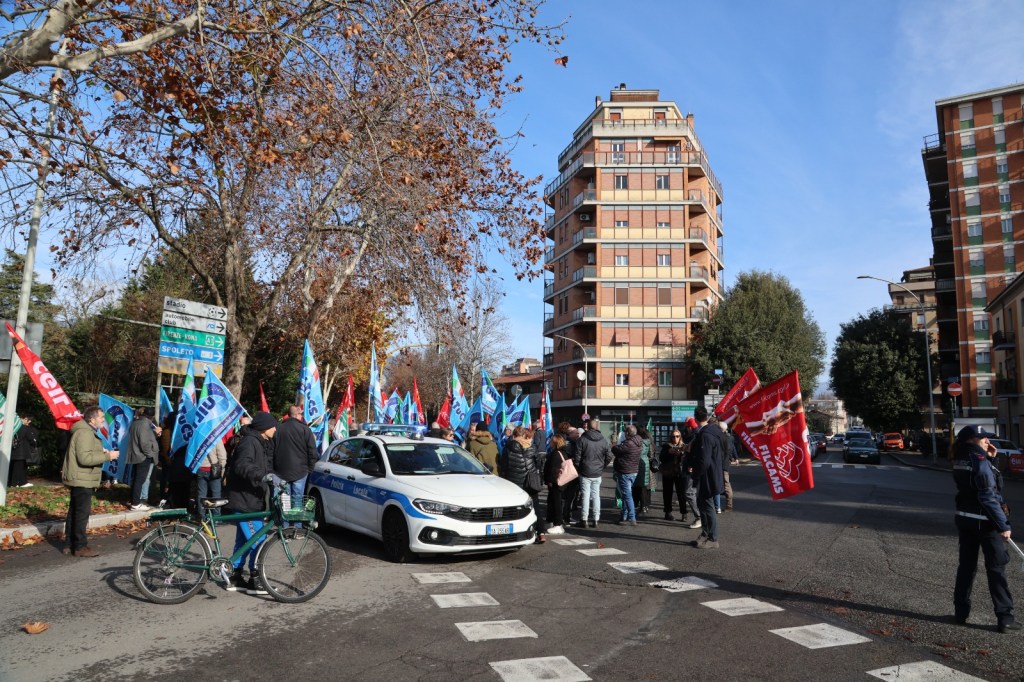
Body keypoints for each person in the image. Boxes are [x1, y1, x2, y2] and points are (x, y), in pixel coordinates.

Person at [952, 425, 1020, 632]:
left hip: (965, 519)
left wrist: (991, 458)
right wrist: (1003, 525)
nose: (988, 442)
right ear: (972, 440)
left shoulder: (959, 458)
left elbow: (973, 488)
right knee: (996, 568)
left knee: (966, 566)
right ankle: (1005, 618)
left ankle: (960, 612)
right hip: (986, 522)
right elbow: (988, 496)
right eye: (983, 439)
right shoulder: (978, 461)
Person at [226, 411, 279, 595]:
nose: (275, 428)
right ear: (264, 427)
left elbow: (264, 465)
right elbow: (242, 465)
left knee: (243, 541)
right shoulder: (250, 442)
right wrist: (262, 475)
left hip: (251, 498)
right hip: (244, 500)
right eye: (273, 425)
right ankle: (256, 579)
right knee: (258, 540)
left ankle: (234, 576)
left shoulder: (260, 442)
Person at [61, 405, 119, 557]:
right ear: (92, 419)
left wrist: (100, 452)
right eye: (101, 417)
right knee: (81, 514)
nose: (103, 420)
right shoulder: (85, 433)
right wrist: (108, 456)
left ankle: (69, 544)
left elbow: (85, 453)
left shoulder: (84, 431)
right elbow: (85, 458)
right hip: (83, 478)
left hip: (81, 477)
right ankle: (80, 546)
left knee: (74, 512)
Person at [273, 405, 319, 528]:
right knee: (297, 499)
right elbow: (312, 451)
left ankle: (285, 526)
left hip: (282, 470)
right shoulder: (305, 429)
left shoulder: (278, 428)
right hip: (301, 470)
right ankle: (297, 527)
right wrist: (310, 468)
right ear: (298, 414)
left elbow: (272, 450)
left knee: (285, 501)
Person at [685, 406, 724, 549]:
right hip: (709, 474)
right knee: (702, 505)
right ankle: (705, 534)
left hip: (707, 476)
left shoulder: (706, 435)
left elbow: (705, 460)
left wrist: (696, 472)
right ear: (706, 417)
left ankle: (713, 538)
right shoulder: (710, 432)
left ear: (695, 418)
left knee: (708, 507)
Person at [501, 425, 548, 542]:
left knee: (514, 509)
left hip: (514, 483)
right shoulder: (532, 448)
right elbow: (537, 465)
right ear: (524, 436)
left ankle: (515, 533)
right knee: (535, 507)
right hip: (530, 482)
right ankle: (541, 532)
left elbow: (504, 466)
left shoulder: (508, 447)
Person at [573, 419, 613, 528]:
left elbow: (577, 457)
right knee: (596, 496)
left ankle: (584, 519)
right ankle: (596, 519)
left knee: (585, 496)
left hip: (585, 471)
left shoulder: (582, 439)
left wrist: (579, 467)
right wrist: (602, 465)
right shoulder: (603, 440)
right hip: (597, 472)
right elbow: (609, 456)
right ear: (597, 427)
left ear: (588, 427)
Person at [127, 407, 161, 511]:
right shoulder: (145, 425)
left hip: (136, 454)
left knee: (137, 479)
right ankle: (136, 503)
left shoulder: (135, 422)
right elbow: (144, 443)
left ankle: (134, 500)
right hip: (143, 456)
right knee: (140, 480)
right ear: (152, 416)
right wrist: (150, 454)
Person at [611, 424, 642, 526]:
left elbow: (615, 450)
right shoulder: (638, 441)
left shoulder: (628, 444)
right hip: (633, 471)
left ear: (628, 433)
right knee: (625, 494)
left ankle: (632, 517)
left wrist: (614, 443)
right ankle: (624, 516)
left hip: (625, 471)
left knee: (627, 495)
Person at [544, 434, 572, 534]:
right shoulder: (564, 452)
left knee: (556, 503)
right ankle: (551, 521)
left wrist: (549, 481)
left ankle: (557, 524)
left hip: (556, 483)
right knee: (553, 502)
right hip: (561, 482)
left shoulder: (556, 454)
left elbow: (553, 470)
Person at [680, 416, 703, 528]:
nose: (685, 430)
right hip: (691, 467)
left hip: (691, 468)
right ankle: (701, 516)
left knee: (689, 493)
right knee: (693, 492)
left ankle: (699, 517)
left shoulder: (695, 436)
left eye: (686, 427)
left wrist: (691, 465)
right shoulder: (696, 435)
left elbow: (695, 453)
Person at [659, 429, 686, 521]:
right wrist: (669, 452)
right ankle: (668, 512)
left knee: (681, 494)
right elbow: (661, 458)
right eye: (673, 436)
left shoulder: (683, 446)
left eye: (677, 436)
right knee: (667, 493)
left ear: (680, 437)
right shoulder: (666, 446)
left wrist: (681, 454)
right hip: (668, 472)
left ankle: (684, 513)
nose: (675, 438)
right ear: (670, 437)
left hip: (680, 473)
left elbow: (688, 459)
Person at [196, 440, 227, 518]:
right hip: (214, 469)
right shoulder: (215, 438)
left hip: (200, 468)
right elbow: (222, 455)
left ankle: (202, 517)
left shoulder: (197, 438)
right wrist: (221, 467)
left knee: (201, 494)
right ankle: (216, 518)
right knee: (216, 494)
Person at [8, 414, 38, 488]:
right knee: (18, 467)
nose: (22, 419)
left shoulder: (13, 427)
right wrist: (34, 440)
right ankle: (14, 483)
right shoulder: (24, 428)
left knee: (15, 467)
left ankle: (19, 482)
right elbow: (31, 438)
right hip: (21, 451)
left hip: (13, 450)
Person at [632, 426, 654, 518]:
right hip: (646, 465)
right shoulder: (648, 441)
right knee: (644, 487)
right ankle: (644, 506)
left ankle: (642, 507)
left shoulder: (637, 442)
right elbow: (651, 455)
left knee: (639, 487)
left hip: (638, 465)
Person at [716, 419, 737, 512]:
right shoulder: (730, 437)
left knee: (725, 483)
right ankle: (728, 504)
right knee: (725, 483)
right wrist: (736, 457)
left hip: (721, 463)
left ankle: (728, 505)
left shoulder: (721, 438)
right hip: (725, 463)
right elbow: (733, 448)